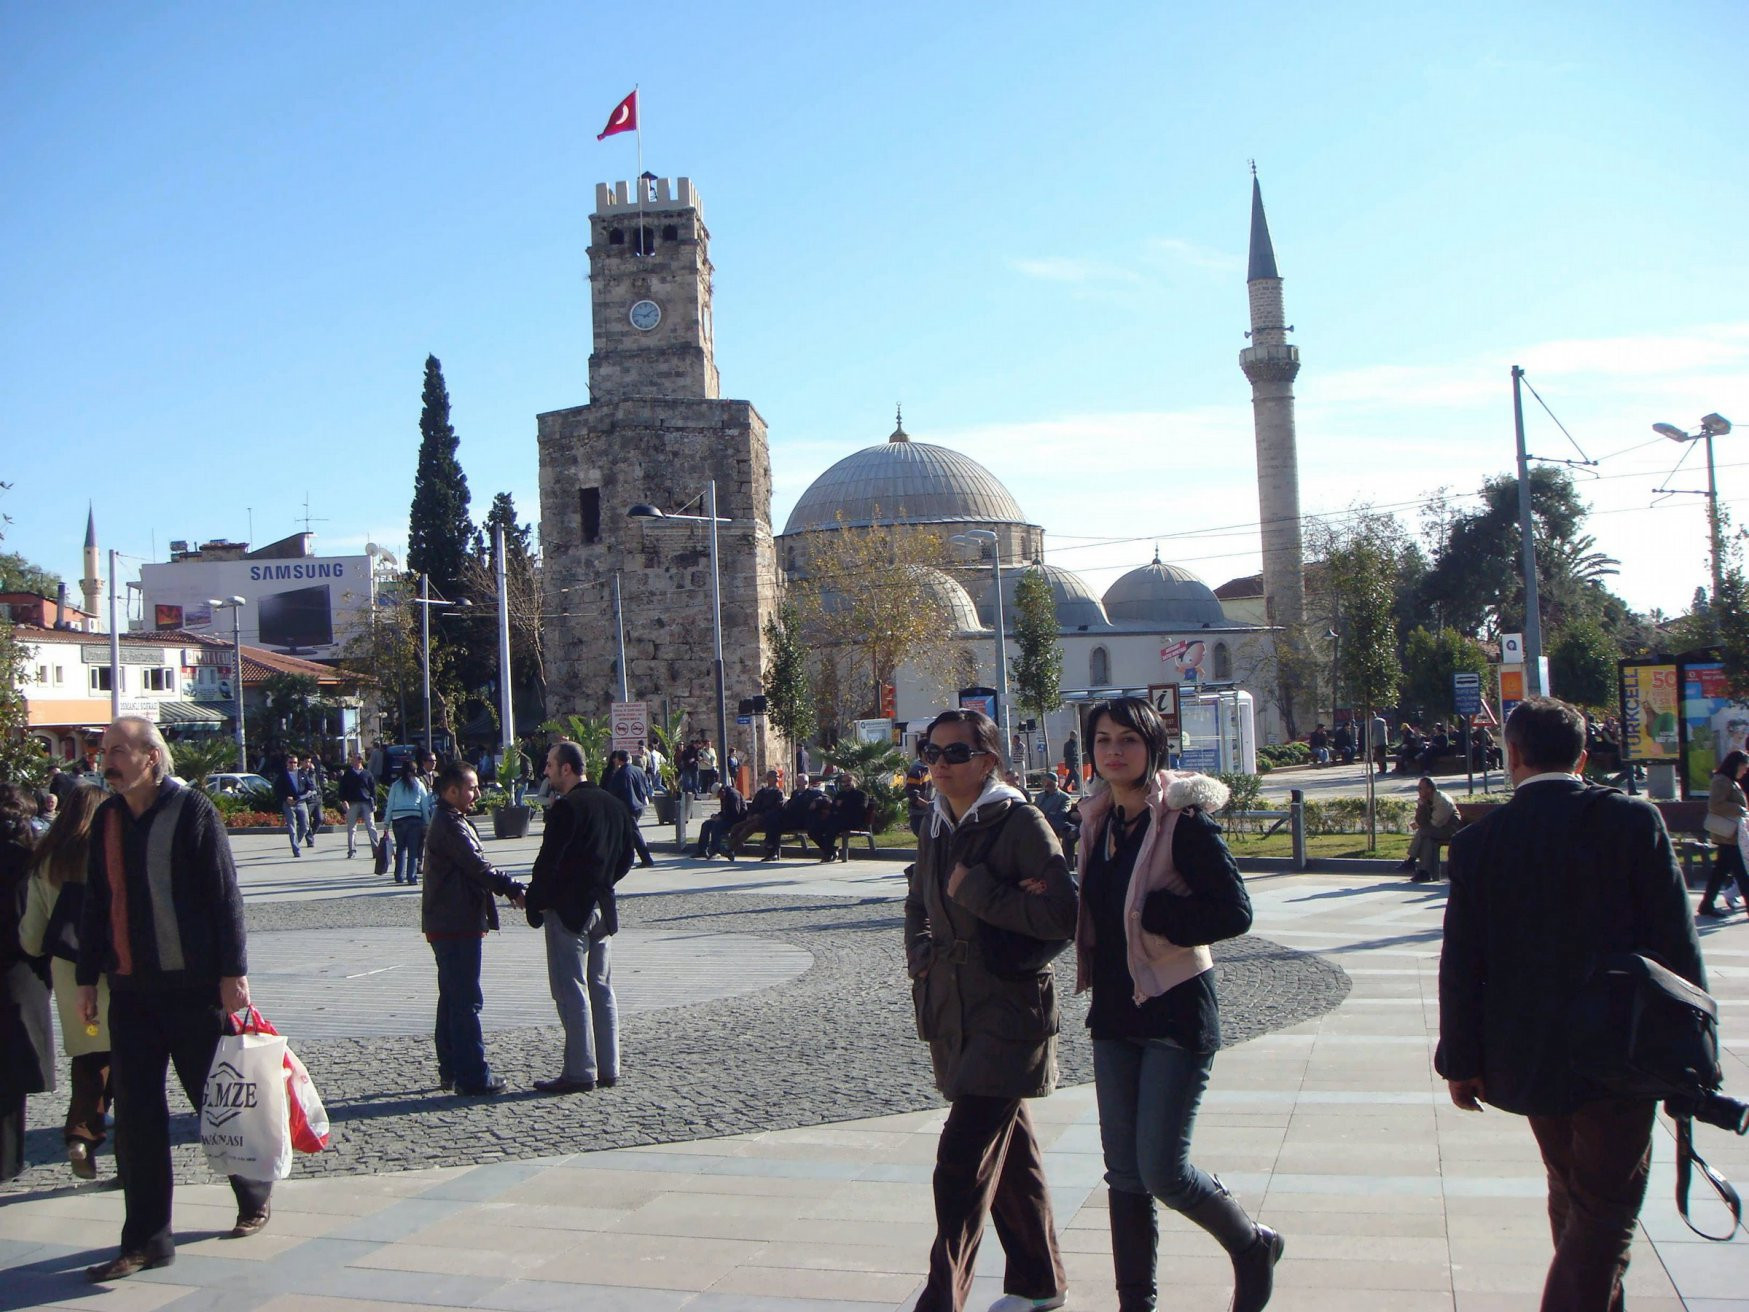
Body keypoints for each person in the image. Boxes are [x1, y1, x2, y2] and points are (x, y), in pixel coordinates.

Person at [1436, 697, 1705, 1311]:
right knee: (1605, 1210)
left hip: (1527, 1052)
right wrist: (1690, 1050)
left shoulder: (1481, 842)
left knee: (1575, 1195)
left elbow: (1461, 964)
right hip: (1624, 1047)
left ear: (1513, 757)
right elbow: (1677, 944)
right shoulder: (1634, 822)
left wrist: (1460, 1059)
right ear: (1583, 756)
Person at [1071, 697, 1280, 1312]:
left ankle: (1250, 1244)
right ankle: (1136, 1302)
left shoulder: (1184, 824)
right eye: (1103, 740)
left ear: (1152, 747)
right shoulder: (1098, 821)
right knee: (1125, 1176)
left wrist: (1160, 915)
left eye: (1128, 740)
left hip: (1174, 1011)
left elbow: (1235, 912)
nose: (1114, 751)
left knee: (1162, 1170)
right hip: (1114, 1012)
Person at [76, 717, 271, 1280]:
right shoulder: (108, 818)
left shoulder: (194, 812)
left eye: (118, 751)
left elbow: (223, 895)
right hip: (131, 992)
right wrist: (88, 977)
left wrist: (233, 972)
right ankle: (145, 1240)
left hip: (192, 991)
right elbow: (95, 902)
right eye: (104, 750)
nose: (106, 760)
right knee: (136, 1119)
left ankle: (252, 1192)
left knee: (215, 1104)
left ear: (151, 758)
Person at [904, 708, 1076, 1312]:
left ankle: (941, 1299)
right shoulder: (937, 820)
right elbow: (916, 894)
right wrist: (919, 955)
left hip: (1010, 1010)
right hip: (953, 1006)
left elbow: (1063, 917)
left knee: (960, 1160)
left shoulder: (1020, 822)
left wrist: (978, 890)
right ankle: (1039, 1281)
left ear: (987, 761)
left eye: (955, 753)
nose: (940, 765)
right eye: (932, 752)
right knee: (1012, 1153)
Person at [525, 741, 634, 1093]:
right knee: (601, 987)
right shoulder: (615, 805)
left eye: (550, 765)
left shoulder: (567, 808)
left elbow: (548, 863)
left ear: (567, 769)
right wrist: (604, 882)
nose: (546, 771)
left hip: (569, 908)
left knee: (571, 988)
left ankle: (580, 1070)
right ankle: (609, 1066)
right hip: (603, 905)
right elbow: (627, 858)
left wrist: (535, 903)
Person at [19, 784, 110, 1179]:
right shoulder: (110, 853)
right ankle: (119, 1151)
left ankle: (80, 1133)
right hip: (114, 969)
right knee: (127, 1057)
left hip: (70, 974)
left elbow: (33, 938)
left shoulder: (47, 860)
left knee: (90, 1052)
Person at [420, 761, 527, 1096]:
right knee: (465, 1001)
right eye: (471, 787)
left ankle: (451, 1068)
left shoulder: (451, 820)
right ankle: (472, 1075)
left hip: (450, 920)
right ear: (451, 791)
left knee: (452, 998)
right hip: (455, 923)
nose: (477, 793)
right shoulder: (450, 825)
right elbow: (478, 867)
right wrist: (513, 888)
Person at [1, 783, 53, 1184]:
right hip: (18, 973)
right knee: (10, 1075)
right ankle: (7, 1161)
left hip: (16, 971)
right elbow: (29, 923)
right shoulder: (29, 860)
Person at [1699, 749, 1749, 918]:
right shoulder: (1722, 781)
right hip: (1728, 835)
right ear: (1735, 765)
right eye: (1744, 766)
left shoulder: (1729, 780)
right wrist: (1738, 809)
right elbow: (1714, 805)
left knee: (1720, 871)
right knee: (1742, 873)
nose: (1745, 770)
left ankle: (1706, 905)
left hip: (1731, 834)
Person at [1401, 775, 1460, 883]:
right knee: (1428, 839)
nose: (1418, 791)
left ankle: (1411, 860)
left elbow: (1434, 824)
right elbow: (1422, 821)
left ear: (1429, 789)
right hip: (1436, 829)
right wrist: (1421, 806)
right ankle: (1423, 872)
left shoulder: (1442, 801)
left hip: (1450, 830)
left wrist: (1418, 824)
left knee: (1424, 832)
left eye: (1420, 788)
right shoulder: (1427, 799)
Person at [602, 749, 656, 868]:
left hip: (628, 806)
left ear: (618, 760)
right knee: (626, 833)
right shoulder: (638, 770)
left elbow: (615, 791)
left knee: (634, 833)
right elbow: (646, 786)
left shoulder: (621, 773)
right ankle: (620, 857)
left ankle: (646, 859)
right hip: (639, 805)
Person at [761, 773, 827, 862]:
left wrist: (816, 801)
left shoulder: (814, 792)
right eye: (797, 781)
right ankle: (772, 852)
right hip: (793, 820)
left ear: (806, 782)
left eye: (799, 781)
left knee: (776, 821)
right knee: (774, 819)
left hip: (805, 821)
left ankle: (829, 851)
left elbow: (826, 798)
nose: (797, 783)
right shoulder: (795, 793)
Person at [385, 759, 430, 886]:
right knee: (413, 850)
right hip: (415, 819)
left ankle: (399, 875)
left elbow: (390, 805)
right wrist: (427, 822)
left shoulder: (396, 785)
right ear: (415, 771)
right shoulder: (419, 785)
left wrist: (386, 823)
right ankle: (412, 877)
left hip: (398, 819)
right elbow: (424, 806)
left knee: (400, 848)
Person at [725, 769, 785, 855]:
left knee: (749, 828)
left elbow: (777, 807)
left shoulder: (778, 792)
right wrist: (751, 814)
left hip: (766, 819)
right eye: (773, 777)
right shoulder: (761, 792)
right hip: (755, 817)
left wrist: (762, 815)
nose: (776, 779)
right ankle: (736, 847)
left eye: (777, 777)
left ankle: (730, 848)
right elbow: (754, 806)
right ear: (768, 778)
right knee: (736, 827)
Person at [812, 771, 868, 862]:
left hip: (852, 822)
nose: (846, 784)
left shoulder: (861, 795)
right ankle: (831, 850)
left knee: (832, 827)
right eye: (844, 782)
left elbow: (860, 809)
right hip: (838, 820)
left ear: (854, 781)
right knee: (814, 829)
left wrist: (843, 805)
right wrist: (837, 808)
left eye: (848, 781)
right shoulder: (841, 794)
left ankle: (828, 854)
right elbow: (833, 807)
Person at [338, 753, 381, 860]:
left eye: (357, 760)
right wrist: (343, 801)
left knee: (371, 826)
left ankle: (376, 850)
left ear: (360, 761)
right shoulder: (348, 774)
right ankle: (351, 851)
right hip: (352, 803)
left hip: (366, 802)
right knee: (351, 828)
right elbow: (342, 789)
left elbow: (373, 790)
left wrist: (375, 803)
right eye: (353, 760)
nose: (354, 762)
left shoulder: (367, 774)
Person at [695, 779, 747, 860]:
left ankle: (715, 851)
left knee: (717, 826)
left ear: (722, 791)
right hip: (728, 819)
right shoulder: (724, 795)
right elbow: (724, 811)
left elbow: (735, 814)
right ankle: (702, 850)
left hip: (737, 821)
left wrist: (721, 818)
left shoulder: (733, 795)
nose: (719, 798)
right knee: (706, 824)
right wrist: (717, 816)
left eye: (719, 796)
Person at [274, 754, 309, 857]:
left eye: (295, 762)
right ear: (287, 763)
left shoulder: (302, 773)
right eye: (291, 762)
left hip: (301, 802)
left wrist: (308, 793)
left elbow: (310, 786)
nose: (293, 764)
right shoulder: (282, 775)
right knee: (292, 827)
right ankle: (296, 850)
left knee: (305, 827)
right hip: (289, 804)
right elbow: (277, 790)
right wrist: (286, 798)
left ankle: (296, 842)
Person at [905, 764, 933, 838]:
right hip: (919, 817)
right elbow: (913, 797)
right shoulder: (916, 771)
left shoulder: (928, 768)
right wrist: (930, 806)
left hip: (929, 815)